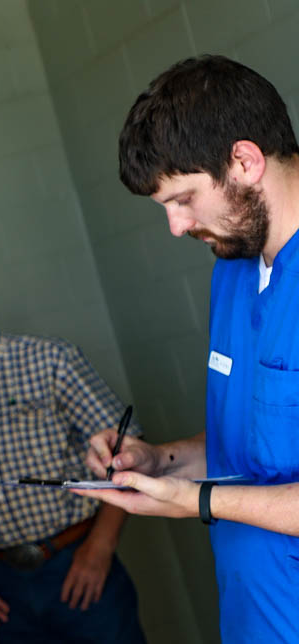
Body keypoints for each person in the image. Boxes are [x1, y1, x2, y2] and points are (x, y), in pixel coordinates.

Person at [78, 55, 299, 643]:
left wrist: (195, 499)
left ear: (245, 161)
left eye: (182, 199)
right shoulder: (232, 265)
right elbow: (254, 449)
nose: (176, 227)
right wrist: (158, 463)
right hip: (254, 619)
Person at [0, 252, 146, 643]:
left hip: (75, 562)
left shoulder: (49, 360)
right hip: (4, 584)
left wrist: (99, 547)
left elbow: (129, 454)